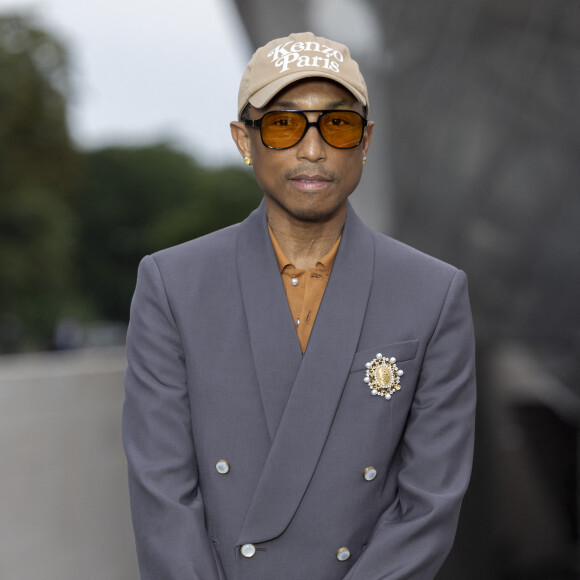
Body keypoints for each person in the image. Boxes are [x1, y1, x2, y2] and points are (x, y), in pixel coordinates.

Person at [122, 31, 476, 580]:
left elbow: (428, 506)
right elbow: (163, 499)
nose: (313, 150)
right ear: (245, 140)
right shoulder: (174, 284)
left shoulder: (434, 293)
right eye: (284, 124)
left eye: (337, 124)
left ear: (365, 141)